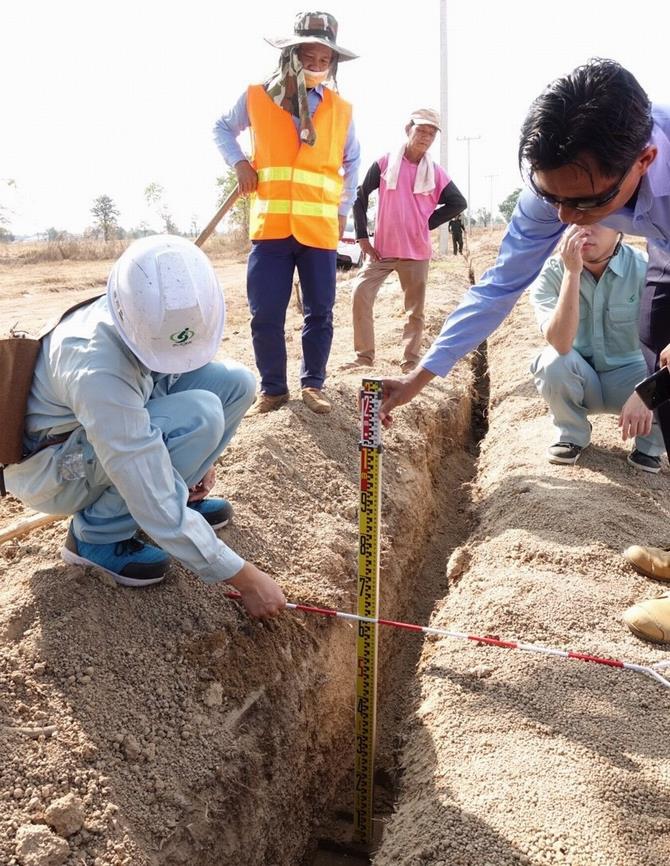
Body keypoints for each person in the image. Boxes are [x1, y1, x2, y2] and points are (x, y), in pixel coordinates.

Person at [378, 58, 670, 642]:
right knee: (658, 358)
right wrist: (420, 377)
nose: (565, 219)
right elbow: (500, 286)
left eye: (585, 205)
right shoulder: (562, 184)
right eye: (550, 198)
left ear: (644, 161)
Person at [4, 236, 286, 620]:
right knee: (198, 414)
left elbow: (162, 377)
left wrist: (199, 462)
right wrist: (244, 577)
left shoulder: (140, 318)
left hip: (91, 439)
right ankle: (97, 536)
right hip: (54, 466)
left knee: (235, 382)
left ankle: (178, 500)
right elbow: (137, 465)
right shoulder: (95, 365)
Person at [213, 11, 360, 415]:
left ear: (332, 65)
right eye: (308, 56)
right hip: (272, 228)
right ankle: (273, 389)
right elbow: (221, 128)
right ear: (292, 54)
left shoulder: (341, 110)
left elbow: (353, 161)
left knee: (320, 312)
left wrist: (343, 211)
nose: (316, 66)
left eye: (324, 60)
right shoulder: (257, 97)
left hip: (318, 230)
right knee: (265, 314)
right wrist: (241, 164)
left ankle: (313, 383)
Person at [530, 222, 664, 471]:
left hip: (632, 378)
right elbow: (560, 343)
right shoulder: (552, 274)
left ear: (620, 228)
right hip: (580, 377)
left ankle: (650, 446)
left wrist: (647, 392)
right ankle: (572, 434)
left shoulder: (647, 270)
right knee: (552, 362)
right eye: (577, 223)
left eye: (598, 222)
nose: (585, 230)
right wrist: (572, 273)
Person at [347, 109, 466, 373]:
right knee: (360, 294)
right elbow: (360, 196)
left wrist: (426, 222)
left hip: (416, 252)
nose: (426, 136)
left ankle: (409, 361)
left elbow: (459, 203)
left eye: (431, 133)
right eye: (421, 130)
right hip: (382, 250)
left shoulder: (435, 173)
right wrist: (362, 236)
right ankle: (364, 357)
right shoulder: (385, 163)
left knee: (415, 311)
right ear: (408, 129)